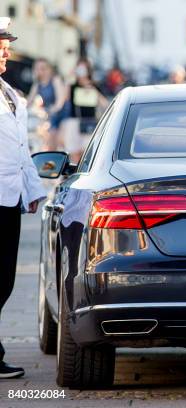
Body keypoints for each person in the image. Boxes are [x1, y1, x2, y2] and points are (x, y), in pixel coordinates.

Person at [0, 17, 47, 379]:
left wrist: (33, 191)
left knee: (4, 280)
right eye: (1, 46)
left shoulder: (11, 94)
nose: (7, 53)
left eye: (6, 46)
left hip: (9, 198)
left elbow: (20, 147)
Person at [63, 58, 108, 163]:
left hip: (89, 122)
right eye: (79, 68)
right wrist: (69, 78)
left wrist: (91, 89)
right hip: (74, 121)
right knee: (74, 152)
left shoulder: (94, 85)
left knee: (87, 152)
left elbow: (104, 104)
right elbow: (65, 99)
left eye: (84, 68)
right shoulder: (73, 85)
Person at [26, 58, 66, 151]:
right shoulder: (38, 84)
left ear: (49, 70)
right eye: (37, 69)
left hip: (62, 116)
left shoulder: (55, 80)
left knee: (54, 142)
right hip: (50, 117)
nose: (40, 71)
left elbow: (60, 101)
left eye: (43, 68)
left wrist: (52, 109)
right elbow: (29, 101)